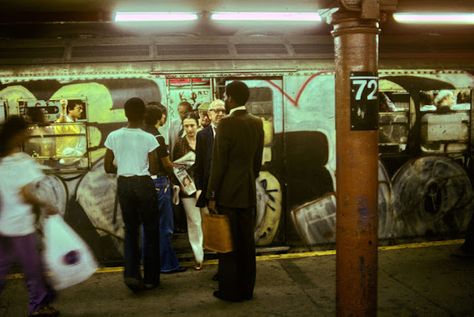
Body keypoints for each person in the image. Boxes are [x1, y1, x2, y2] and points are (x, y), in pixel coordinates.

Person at [207, 81, 264, 302]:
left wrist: (212, 194)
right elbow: (257, 161)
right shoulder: (256, 122)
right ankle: (246, 289)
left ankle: (229, 291)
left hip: (228, 195)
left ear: (230, 98)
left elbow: (219, 163)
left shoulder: (225, 124)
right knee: (247, 245)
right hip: (247, 191)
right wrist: (249, 178)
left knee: (228, 244)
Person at [0, 115, 60, 316]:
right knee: (33, 268)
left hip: (4, 223)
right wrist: (47, 204)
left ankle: (42, 303)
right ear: (18, 134)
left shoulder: (2, 160)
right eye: (27, 130)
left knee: (2, 266)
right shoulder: (22, 161)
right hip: (20, 224)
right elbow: (25, 195)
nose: (30, 132)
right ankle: (38, 306)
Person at [104, 97, 160, 292]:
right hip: (144, 183)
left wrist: (123, 165)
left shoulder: (113, 136)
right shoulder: (149, 138)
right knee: (151, 230)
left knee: (131, 230)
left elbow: (107, 166)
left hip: (124, 184)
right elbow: (154, 167)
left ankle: (131, 275)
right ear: (144, 114)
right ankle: (152, 278)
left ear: (125, 113)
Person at [143, 103, 186, 274]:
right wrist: (184, 163)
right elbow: (167, 164)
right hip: (160, 185)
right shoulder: (157, 137)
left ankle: (150, 264)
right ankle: (168, 264)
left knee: (149, 227)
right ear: (160, 117)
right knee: (165, 227)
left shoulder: (141, 134)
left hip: (144, 183)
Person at [173, 112, 204, 270]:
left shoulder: (205, 139)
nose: (190, 129)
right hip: (187, 189)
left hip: (204, 186)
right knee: (194, 222)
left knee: (208, 221)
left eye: (192, 125)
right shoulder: (179, 143)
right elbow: (174, 166)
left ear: (197, 124)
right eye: (186, 126)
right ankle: (198, 256)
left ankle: (211, 248)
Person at [194, 99, 226, 213]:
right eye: (217, 111)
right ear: (210, 114)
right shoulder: (202, 135)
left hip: (228, 188)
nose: (221, 114)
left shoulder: (231, 131)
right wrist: (199, 188)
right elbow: (199, 164)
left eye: (223, 111)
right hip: (208, 187)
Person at [55, 100, 86, 166]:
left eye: (82, 109)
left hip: (75, 159)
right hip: (65, 159)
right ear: (69, 109)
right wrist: (64, 108)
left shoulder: (77, 124)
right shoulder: (66, 121)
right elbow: (62, 121)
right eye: (79, 108)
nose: (81, 111)